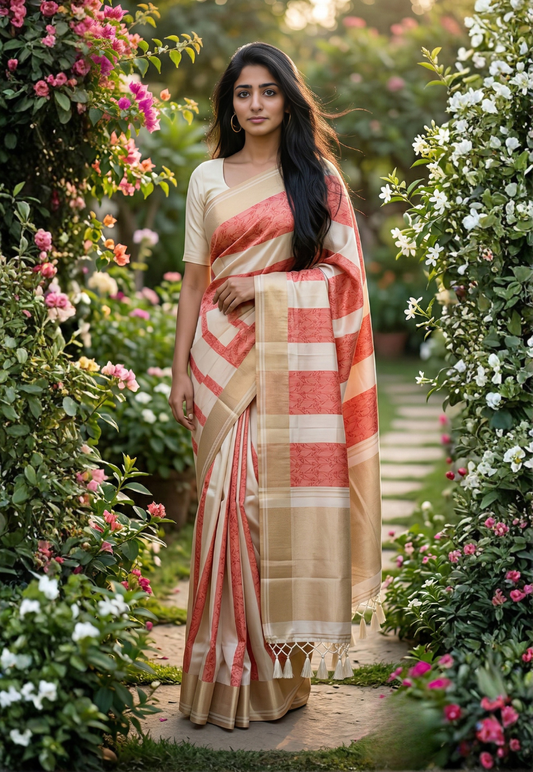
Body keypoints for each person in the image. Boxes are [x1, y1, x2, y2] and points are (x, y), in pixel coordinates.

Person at [168, 41, 382, 731]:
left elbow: (343, 277)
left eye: (266, 91)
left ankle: (275, 682)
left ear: (286, 98)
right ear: (228, 103)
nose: (254, 104)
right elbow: (194, 282)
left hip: (292, 368)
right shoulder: (206, 177)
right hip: (217, 363)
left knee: (267, 509)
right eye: (241, 93)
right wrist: (177, 370)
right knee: (224, 513)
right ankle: (219, 676)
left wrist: (264, 287)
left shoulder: (314, 176)